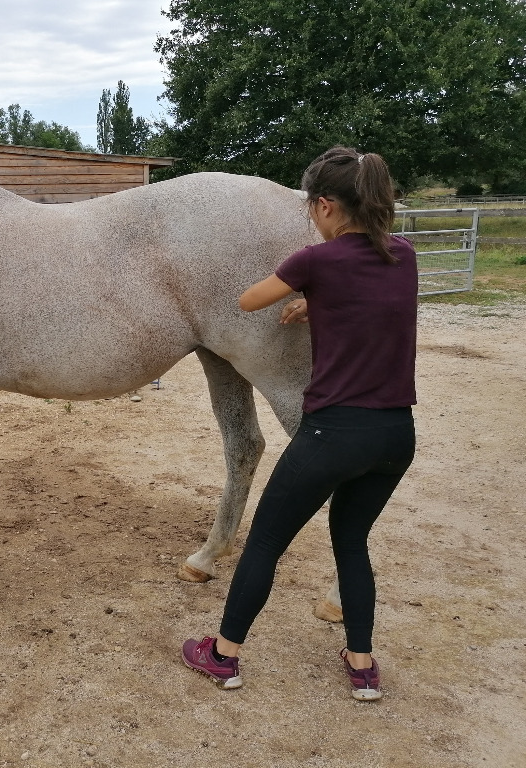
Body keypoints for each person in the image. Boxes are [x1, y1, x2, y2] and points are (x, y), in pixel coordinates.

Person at [180, 146, 418, 701]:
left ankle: (222, 656)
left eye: (312, 208)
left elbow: (246, 300)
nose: (311, 218)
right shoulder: (404, 256)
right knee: (352, 542)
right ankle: (362, 665)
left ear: (329, 206)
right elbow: (369, 298)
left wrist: (303, 287)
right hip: (395, 436)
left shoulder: (315, 261)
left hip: (334, 433)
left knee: (264, 541)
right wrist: (319, 303)